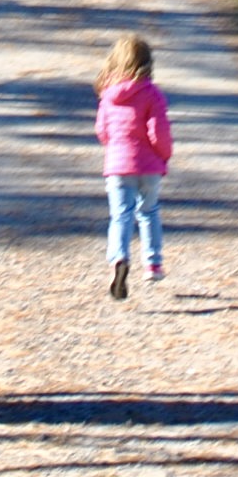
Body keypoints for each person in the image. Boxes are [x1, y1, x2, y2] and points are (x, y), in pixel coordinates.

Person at [94, 32, 173, 299]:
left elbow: (102, 131)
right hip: (149, 166)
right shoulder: (153, 94)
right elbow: (157, 132)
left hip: (117, 166)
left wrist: (114, 148)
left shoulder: (107, 96)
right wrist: (164, 156)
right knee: (148, 212)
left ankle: (119, 259)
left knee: (120, 215)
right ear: (147, 63)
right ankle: (152, 263)